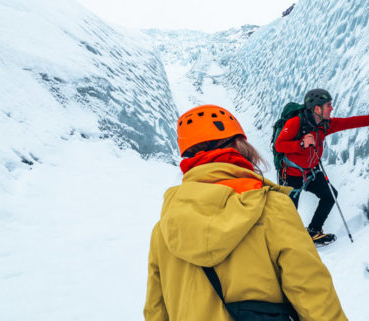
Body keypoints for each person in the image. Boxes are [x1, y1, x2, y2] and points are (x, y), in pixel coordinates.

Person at [144, 104, 348, 321]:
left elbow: (155, 312)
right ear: (239, 145)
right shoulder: (272, 208)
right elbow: (316, 299)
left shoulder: (164, 229)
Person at [275, 89, 369, 245]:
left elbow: (351, 122)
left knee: (330, 195)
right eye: (328, 105)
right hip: (291, 174)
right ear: (317, 108)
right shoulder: (295, 123)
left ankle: (314, 230)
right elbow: (279, 145)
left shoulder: (324, 125)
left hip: (310, 172)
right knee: (288, 213)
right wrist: (301, 143)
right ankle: (282, 244)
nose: (332, 108)